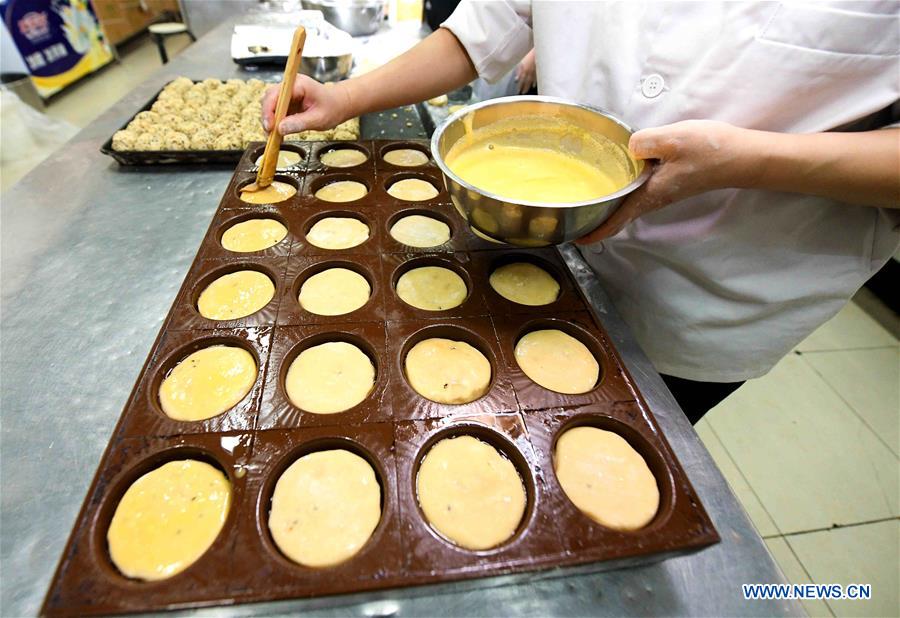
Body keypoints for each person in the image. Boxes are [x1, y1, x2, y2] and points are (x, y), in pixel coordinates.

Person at [262, 1, 900, 424]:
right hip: (528, 235)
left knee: (615, 433)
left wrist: (746, 160)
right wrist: (345, 97)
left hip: (719, 285)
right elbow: (496, 19)